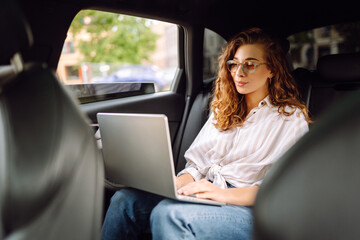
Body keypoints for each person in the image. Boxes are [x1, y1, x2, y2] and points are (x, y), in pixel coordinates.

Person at [101, 27, 310, 240]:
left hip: (251, 210)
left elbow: (283, 189)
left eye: (250, 65)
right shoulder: (223, 109)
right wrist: (177, 184)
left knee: (169, 215)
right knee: (125, 201)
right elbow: (198, 165)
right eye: (234, 64)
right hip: (208, 194)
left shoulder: (290, 118)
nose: (239, 73)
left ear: (272, 69)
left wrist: (224, 194)